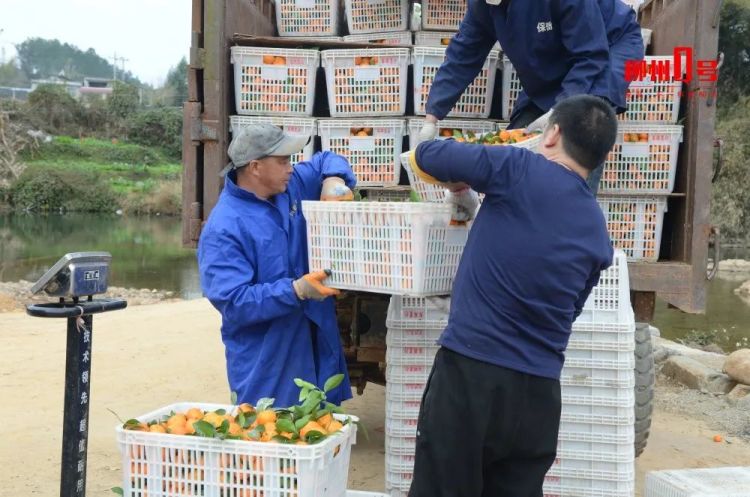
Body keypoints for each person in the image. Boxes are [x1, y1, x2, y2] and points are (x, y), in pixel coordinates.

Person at [406, 95, 616, 497]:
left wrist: (458, 179)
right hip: (538, 395)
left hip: (472, 374)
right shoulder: (597, 229)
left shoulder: (519, 168)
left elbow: (429, 155)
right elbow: (569, 310)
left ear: (551, 134)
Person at [197, 123, 357, 408]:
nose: (291, 168)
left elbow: (326, 159)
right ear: (255, 167)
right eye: (283, 161)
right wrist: (296, 291)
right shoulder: (224, 227)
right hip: (268, 362)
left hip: (316, 347)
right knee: (271, 428)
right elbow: (233, 302)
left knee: (324, 428)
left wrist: (333, 179)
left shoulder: (290, 187)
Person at [419, 0, 644, 194]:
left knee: (582, 125)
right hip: (556, 56)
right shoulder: (483, 5)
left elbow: (590, 55)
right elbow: (463, 54)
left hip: (609, 45)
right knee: (519, 141)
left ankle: (573, 207)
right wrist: (431, 117)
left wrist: (560, 109)